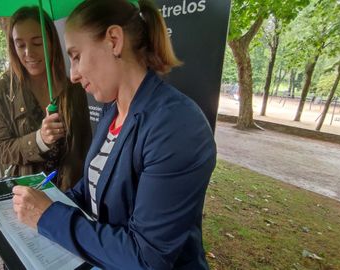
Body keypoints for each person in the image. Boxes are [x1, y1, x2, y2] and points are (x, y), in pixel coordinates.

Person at [12, 0, 216, 269]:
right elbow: (92, 186)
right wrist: (52, 202)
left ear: (114, 40)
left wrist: (49, 216)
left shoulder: (177, 127)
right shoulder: (113, 111)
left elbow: (146, 258)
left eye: (76, 56)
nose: (73, 75)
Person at [0, 6, 92, 191]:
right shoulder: (1, 92)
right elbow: (0, 148)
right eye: (20, 45)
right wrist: (39, 140)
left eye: (37, 42)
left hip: (70, 196)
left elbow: (84, 145)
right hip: (27, 195)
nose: (29, 53)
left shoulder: (73, 88)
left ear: (51, 42)